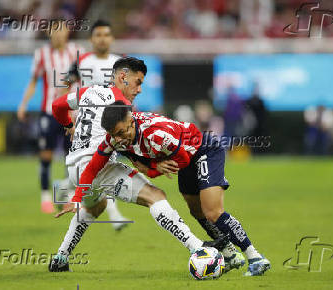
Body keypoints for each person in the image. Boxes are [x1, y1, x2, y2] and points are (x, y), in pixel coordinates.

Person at [49, 57, 219, 272]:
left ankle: (60, 259)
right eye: (137, 82)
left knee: (97, 206)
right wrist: (152, 168)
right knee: (155, 196)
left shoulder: (88, 91)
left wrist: (68, 125)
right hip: (96, 166)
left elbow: (57, 106)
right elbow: (123, 145)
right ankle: (198, 248)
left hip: (75, 167)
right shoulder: (121, 107)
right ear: (123, 77)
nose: (139, 89)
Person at [72, 102, 271, 276]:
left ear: (132, 121)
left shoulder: (155, 133)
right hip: (184, 157)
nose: (120, 139)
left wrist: (152, 169)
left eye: (123, 132)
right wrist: (77, 198)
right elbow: (92, 168)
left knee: (213, 212)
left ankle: (255, 257)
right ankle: (229, 254)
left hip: (203, 151)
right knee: (196, 210)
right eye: (115, 134)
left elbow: (182, 159)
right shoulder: (115, 139)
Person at [54, 19, 129, 231]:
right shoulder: (82, 61)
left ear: (112, 38)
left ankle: (63, 187)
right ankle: (115, 217)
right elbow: (66, 88)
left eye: (106, 35)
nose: (102, 39)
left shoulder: (120, 63)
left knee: (97, 167)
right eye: (98, 35)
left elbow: (125, 94)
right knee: (97, 167)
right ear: (91, 39)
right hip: (86, 124)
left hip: (111, 122)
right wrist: (68, 120)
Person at [17, 24, 84, 213]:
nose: (59, 35)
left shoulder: (77, 52)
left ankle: (67, 195)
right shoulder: (42, 54)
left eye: (62, 30)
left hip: (72, 112)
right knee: (45, 155)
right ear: (49, 33)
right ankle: (46, 197)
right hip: (49, 111)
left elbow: (85, 79)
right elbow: (33, 81)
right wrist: (23, 104)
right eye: (55, 31)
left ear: (67, 33)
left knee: (70, 157)